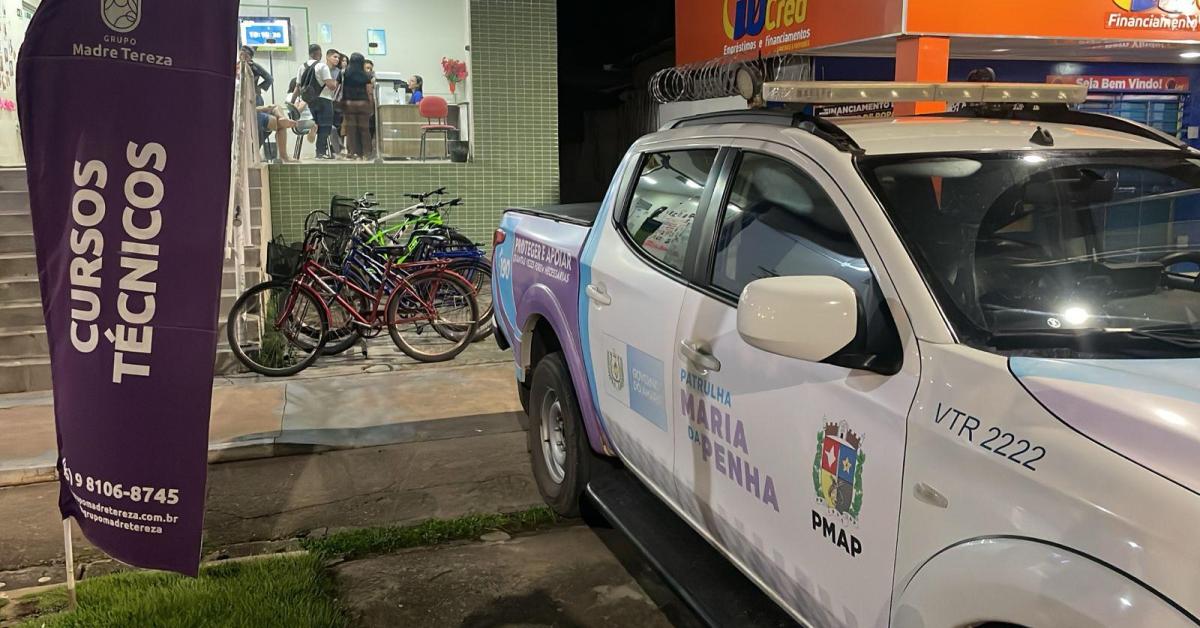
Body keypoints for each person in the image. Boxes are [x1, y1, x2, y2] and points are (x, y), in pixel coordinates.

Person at [302, 47, 339, 159]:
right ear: (320, 54)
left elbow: (298, 86)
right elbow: (331, 86)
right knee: (325, 127)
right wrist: (335, 82)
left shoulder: (302, 67)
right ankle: (320, 152)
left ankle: (312, 127)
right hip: (324, 99)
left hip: (309, 100)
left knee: (316, 123)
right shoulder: (322, 66)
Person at [340, 53, 374, 160]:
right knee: (364, 129)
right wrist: (371, 104)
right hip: (362, 104)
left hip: (349, 104)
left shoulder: (345, 73)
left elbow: (340, 88)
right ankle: (366, 153)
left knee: (351, 130)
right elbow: (369, 92)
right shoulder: (366, 75)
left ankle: (352, 153)